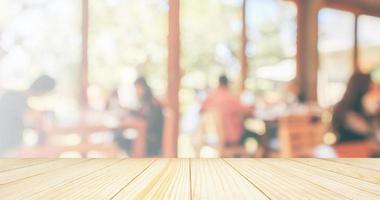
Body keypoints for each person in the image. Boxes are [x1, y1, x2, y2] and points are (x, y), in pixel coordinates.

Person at [0, 75, 56, 155]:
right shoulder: (12, 96)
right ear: (43, 91)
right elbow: (34, 119)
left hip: (12, 147)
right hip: (6, 149)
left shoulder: (19, 99)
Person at [116, 77, 164, 157]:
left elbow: (149, 122)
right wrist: (129, 111)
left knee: (122, 141)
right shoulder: (146, 102)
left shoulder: (153, 102)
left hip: (152, 141)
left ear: (144, 88)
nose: (136, 91)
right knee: (119, 139)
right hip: (145, 137)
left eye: (138, 88)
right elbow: (140, 114)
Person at [201, 75, 253, 146]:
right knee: (254, 135)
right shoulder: (230, 97)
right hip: (230, 137)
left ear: (218, 83)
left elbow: (201, 110)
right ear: (227, 84)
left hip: (212, 136)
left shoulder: (210, 96)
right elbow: (247, 110)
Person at [332, 73, 371, 143]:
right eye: (370, 85)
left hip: (359, 149)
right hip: (349, 150)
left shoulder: (346, 107)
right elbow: (366, 130)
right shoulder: (346, 112)